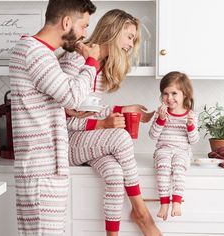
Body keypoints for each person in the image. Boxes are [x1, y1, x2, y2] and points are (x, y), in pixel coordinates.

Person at [59, 9, 162, 236]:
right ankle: (141, 211)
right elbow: (62, 117)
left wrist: (123, 110)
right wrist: (103, 125)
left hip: (84, 143)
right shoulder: (77, 59)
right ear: (113, 32)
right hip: (65, 146)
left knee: (115, 174)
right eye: (129, 37)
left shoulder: (100, 65)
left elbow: (87, 111)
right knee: (121, 136)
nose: (130, 44)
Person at [9, 0, 100, 235]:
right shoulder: (35, 53)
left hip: (45, 169)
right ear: (66, 22)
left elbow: (62, 98)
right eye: (84, 26)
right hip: (41, 172)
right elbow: (72, 96)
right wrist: (91, 62)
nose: (84, 34)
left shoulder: (39, 52)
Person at [149, 71, 200, 221]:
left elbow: (194, 140)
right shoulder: (161, 114)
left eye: (174, 93)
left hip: (182, 151)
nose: (169, 98)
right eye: (165, 94)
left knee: (178, 167)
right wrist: (161, 120)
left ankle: (176, 202)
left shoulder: (191, 115)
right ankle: (164, 203)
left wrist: (190, 126)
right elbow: (153, 135)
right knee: (164, 167)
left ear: (185, 94)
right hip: (163, 150)